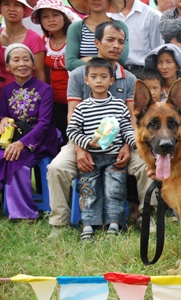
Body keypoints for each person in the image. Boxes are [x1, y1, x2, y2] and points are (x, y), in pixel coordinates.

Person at [47, 21, 152, 234]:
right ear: (97, 42)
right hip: (81, 140)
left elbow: (131, 119)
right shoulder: (79, 74)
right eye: (110, 40)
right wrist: (79, 149)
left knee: (145, 165)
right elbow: (72, 117)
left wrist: (126, 145)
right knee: (56, 168)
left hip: (120, 142)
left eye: (121, 42)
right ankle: (59, 223)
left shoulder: (129, 78)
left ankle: (147, 217)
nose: (116, 46)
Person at [67, 57, 135, 241]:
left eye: (104, 76)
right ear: (86, 80)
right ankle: (89, 225)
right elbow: (71, 130)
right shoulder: (82, 108)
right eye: (94, 76)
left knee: (115, 190)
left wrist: (134, 143)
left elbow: (127, 128)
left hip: (115, 157)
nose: (99, 80)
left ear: (111, 81)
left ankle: (115, 224)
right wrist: (88, 143)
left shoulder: (119, 106)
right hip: (91, 158)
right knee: (88, 190)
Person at [0, 44, 59, 221]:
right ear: (8, 67)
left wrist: (23, 143)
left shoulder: (45, 89)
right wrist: (2, 118)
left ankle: (24, 213)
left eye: (26, 59)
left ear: (34, 65)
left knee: (15, 159)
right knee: (6, 155)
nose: (22, 64)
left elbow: (44, 122)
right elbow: (3, 113)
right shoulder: (6, 90)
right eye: (16, 60)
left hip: (41, 138)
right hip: (15, 137)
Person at [31, 0, 75, 145]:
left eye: (55, 14)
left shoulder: (76, 39)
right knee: (59, 142)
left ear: (64, 16)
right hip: (55, 102)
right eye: (45, 16)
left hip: (78, 101)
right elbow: (40, 73)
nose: (50, 20)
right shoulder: (44, 41)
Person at [65, 0, 129, 71]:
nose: (97, 0)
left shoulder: (120, 26)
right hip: (83, 78)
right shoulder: (76, 27)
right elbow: (70, 63)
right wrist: (106, 60)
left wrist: (88, 59)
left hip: (112, 78)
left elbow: (122, 59)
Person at [0, 0, 46, 94]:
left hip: (27, 95)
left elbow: (40, 74)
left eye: (17, 5)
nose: (12, 9)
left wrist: (40, 99)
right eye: (6, 4)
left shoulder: (34, 38)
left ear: (24, 10)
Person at [107, 0, 164, 74]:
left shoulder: (152, 15)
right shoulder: (107, 14)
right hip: (112, 72)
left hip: (142, 73)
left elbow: (158, 51)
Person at [144, 43, 181, 117]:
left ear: (178, 65)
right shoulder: (152, 89)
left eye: (168, 62)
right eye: (160, 62)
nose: (164, 67)